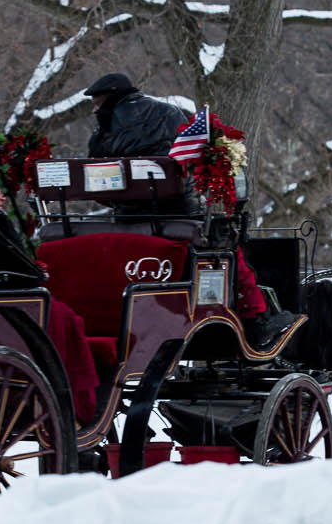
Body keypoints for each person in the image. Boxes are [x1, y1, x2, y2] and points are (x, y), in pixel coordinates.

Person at [82, 72, 297, 351]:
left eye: (97, 102)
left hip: (127, 219)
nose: (95, 109)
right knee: (230, 251)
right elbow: (195, 159)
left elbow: (94, 179)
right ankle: (255, 319)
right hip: (178, 216)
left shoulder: (103, 129)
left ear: (109, 97)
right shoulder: (169, 113)